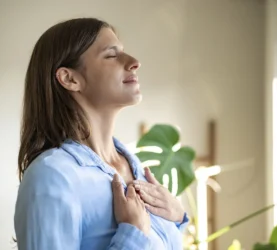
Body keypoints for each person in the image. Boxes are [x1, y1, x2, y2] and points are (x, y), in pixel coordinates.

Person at [14, 17, 189, 250]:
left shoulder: (135, 166)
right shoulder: (52, 176)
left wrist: (177, 219)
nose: (134, 62)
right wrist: (132, 235)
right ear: (70, 78)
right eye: (111, 55)